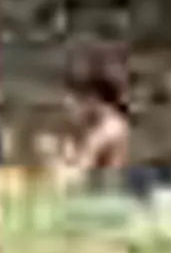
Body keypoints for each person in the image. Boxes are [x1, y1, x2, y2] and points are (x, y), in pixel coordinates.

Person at [45, 66, 139, 194]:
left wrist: (53, 156)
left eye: (76, 99)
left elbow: (76, 180)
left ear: (92, 98)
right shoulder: (114, 124)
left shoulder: (104, 131)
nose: (70, 105)